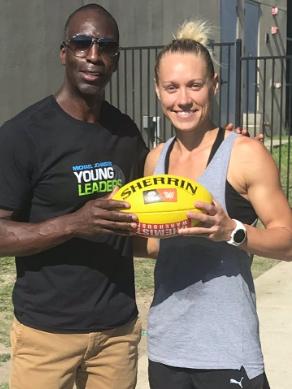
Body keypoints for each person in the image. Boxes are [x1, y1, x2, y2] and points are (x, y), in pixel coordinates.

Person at [0, 4, 149, 389]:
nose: (94, 56)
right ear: (64, 52)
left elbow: (161, 195)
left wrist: (223, 143)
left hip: (116, 334)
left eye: (106, 47)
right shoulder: (23, 134)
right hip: (46, 334)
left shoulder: (126, 133)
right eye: (83, 43)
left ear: (116, 59)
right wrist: (73, 223)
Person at [143, 20, 292, 389]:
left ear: (214, 85)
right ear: (158, 91)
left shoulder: (244, 155)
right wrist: (108, 229)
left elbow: (288, 241)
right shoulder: (154, 160)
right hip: (166, 350)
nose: (183, 99)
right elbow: (158, 246)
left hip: (228, 351)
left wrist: (233, 231)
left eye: (195, 85)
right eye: (172, 87)